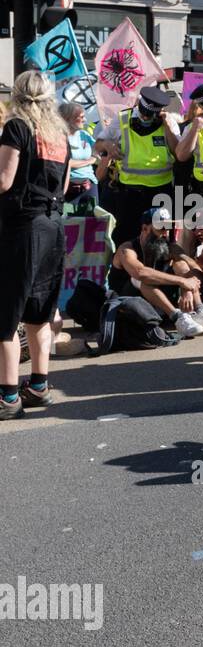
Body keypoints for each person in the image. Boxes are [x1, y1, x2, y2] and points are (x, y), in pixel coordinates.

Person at [0, 71, 71, 419]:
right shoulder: (60, 135)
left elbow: (3, 180)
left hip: (21, 227)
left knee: (6, 315)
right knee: (39, 314)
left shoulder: (17, 128)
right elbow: (66, 184)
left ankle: (8, 397)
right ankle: (39, 387)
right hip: (53, 227)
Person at [107, 207, 203, 339]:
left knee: (181, 264)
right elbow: (140, 272)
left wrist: (188, 290)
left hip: (155, 304)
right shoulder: (127, 249)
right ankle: (178, 318)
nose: (166, 233)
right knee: (143, 278)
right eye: (161, 228)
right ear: (145, 228)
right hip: (125, 306)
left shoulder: (169, 246)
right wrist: (182, 281)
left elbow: (194, 267)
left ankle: (200, 310)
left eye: (168, 228)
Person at [94, 85, 180, 244]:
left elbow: (178, 153)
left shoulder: (168, 122)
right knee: (127, 237)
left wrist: (167, 126)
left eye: (150, 116)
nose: (146, 118)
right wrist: (108, 145)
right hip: (129, 191)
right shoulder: (123, 118)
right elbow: (98, 145)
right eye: (143, 113)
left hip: (160, 190)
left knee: (160, 238)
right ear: (139, 105)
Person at [61, 102, 99, 211]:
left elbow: (98, 154)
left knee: (92, 223)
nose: (85, 120)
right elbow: (66, 162)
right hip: (69, 188)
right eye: (81, 117)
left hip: (90, 185)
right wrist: (89, 161)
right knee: (70, 225)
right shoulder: (60, 137)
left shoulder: (84, 135)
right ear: (69, 118)